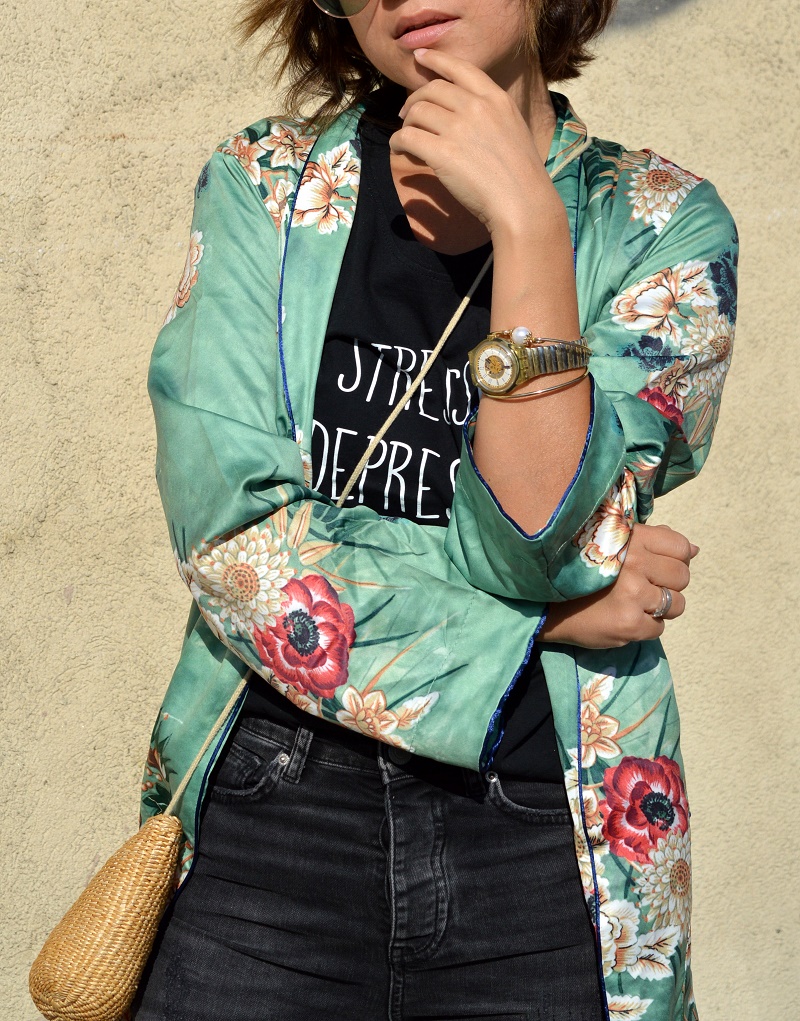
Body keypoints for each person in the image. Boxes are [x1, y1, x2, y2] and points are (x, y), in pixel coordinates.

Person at [132, 2, 738, 1019]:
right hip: (274, 807)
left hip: (547, 823)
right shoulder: (264, 183)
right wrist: (532, 623)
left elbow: (539, 540)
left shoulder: (661, 225)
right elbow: (233, 538)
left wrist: (530, 226)